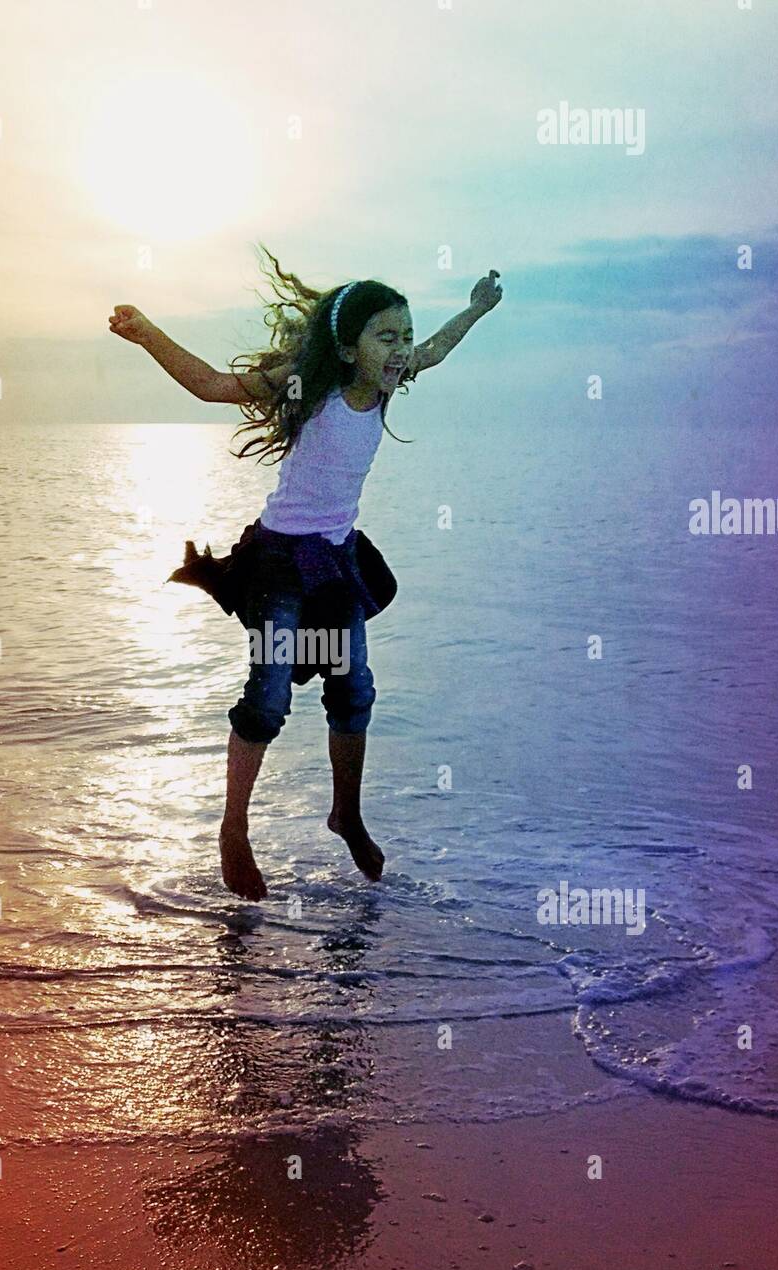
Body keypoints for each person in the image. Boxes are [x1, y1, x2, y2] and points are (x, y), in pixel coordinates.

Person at [109, 246, 503, 899]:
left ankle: (345, 813)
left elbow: (435, 349)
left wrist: (476, 309)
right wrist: (146, 332)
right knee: (268, 697)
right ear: (349, 348)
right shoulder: (309, 386)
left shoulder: (385, 383)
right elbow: (212, 385)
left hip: (336, 558)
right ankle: (233, 829)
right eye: (387, 337)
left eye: (404, 335)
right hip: (278, 561)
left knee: (354, 694)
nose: (403, 348)